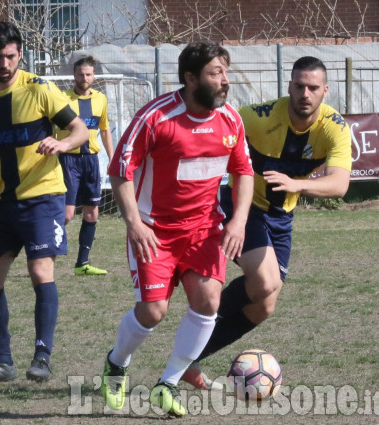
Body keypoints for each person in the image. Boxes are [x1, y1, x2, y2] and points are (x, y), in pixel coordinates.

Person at [100, 42, 254, 417]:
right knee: (153, 312)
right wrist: (135, 223)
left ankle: (167, 383)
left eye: (225, 72)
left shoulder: (231, 120)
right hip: (155, 231)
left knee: (208, 303)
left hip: (204, 230)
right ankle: (117, 363)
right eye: (216, 73)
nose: (225, 81)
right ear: (190, 78)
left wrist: (238, 221)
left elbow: (243, 172)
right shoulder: (156, 118)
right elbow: (121, 171)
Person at [181, 56, 352, 390]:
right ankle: (198, 321)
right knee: (264, 282)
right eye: (299, 86)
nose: (305, 93)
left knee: (265, 304)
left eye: (313, 88)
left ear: (325, 91)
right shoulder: (257, 119)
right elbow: (211, 124)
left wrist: (297, 184)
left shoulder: (334, 127)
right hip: (241, 206)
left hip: (280, 217)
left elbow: (340, 184)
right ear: (289, 87)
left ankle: (189, 359)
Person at [0, 22, 89, 384]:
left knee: (40, 271)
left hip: (42, 196)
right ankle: (2, 362)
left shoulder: (40, 89)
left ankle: (42, 356)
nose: (5, 63)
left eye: (11, 56)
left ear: (19, 54)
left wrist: (61, 144)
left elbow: (79, 130)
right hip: (1, 202)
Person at [55, 56, 114, 276]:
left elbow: (105, 130)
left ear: (94, 76)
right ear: (74, 75)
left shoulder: (101, 99)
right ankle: (42, 252)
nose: (85, 78)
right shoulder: (62, 98)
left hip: (91, 161)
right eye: (81, 74)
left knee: (92, 213)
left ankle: (82, 263)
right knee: (67, 214)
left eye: (89, 74)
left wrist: (113, 157)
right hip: (68, 160)